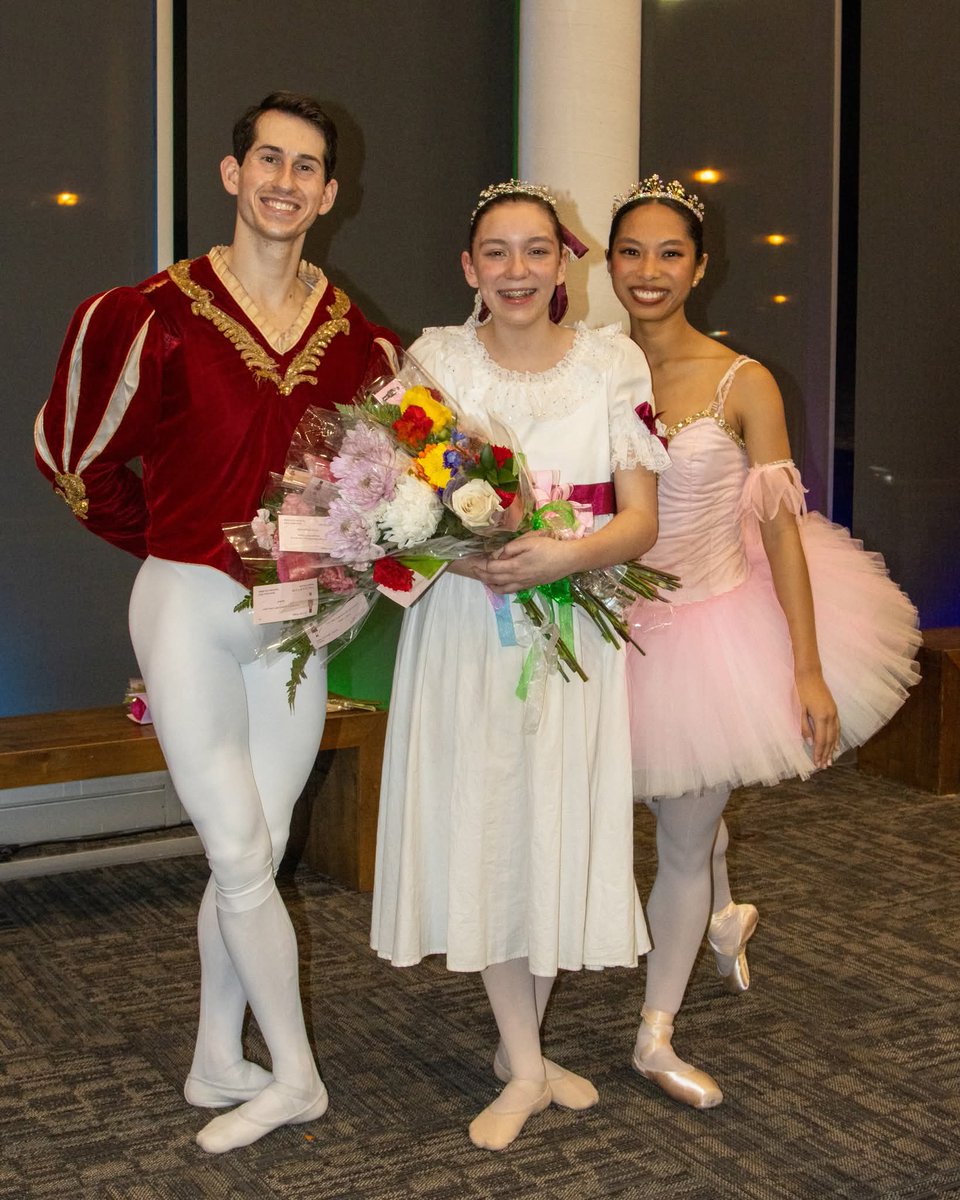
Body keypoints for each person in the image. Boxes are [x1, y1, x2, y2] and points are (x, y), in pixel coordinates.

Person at [35, 91, 398, 1153]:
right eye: (268, 161)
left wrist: (352, 584)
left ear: (331, 194)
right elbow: (73, 455)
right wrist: (176, 548)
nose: (286, 182)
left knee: (260, 851)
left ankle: (212, 1057)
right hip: (190, 608)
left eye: (308, 168)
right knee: (241, 854)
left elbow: (383, 495)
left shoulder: (365, 346)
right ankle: (296, 1077)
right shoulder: (149, 315)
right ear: (233, 175)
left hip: (297, 627)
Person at [606, 175, 920, 1108]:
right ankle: (724, 915)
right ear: (609, 264)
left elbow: (780, 528)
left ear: (702, 266)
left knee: (684, 836)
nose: (649, 271)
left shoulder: (744, 381)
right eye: (632, 252)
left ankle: (655, 1035)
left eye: (670, 253)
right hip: (608, 622)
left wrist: (807, 667)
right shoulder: (594, 367)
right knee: (677, 817)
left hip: (713, 626)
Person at [370, 180, 670, 1150]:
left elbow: (640, 517)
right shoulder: (435, 363)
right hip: (466, 628)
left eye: (534, 251)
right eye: (494, 252)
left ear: (563, 261)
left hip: (575, 627)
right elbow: (397, 501)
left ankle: (520, 1053)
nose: (515, 271)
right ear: (469, 268)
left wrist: (564, 555)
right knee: (491, 818)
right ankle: (528, 1063)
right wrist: (458, 549)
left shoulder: (612, 364)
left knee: (554, 819)